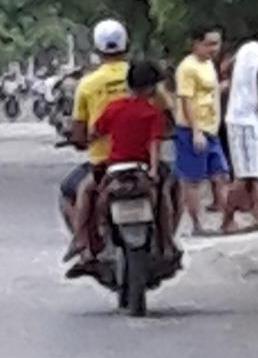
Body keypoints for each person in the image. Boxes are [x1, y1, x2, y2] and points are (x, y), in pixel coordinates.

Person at [70, 54, 180, 267]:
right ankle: (167, 244)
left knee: (88, 193)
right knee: (166, 195)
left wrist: (86, 139)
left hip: (113, 169)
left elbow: (95, 132)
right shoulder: (152, 112)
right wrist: (154, 171)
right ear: (152, 87)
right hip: (142, 169)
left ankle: (83, 244)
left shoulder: (114, 108)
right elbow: (155, 145)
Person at [60, 17, 132, 263]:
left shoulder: (88, 84)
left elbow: (80, 130)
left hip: (104, 162)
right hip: (143, 159)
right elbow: (167, 115)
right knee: (170, 186)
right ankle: (168, 242)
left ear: (97, 49)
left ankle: (84, 244)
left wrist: (81, 141)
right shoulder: (141, 76)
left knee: (71, 191)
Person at [172, 26, 228, 232]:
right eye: (209, 44)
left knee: (221, 174)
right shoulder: (187, 68)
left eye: (217, 43)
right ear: (196, 44)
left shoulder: (209, 65)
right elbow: (187, 101)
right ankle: (197, 224)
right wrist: (196, 131)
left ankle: (226, 220)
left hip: (211, 129)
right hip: (192, 130)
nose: (214, 48)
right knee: (193, 179)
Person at [223, 28, 258, 230]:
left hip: (237, 116)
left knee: (254, 173)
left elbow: (226, 68)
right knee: (245, 174)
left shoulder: (246, 48)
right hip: (248, 119)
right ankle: (227, 219)